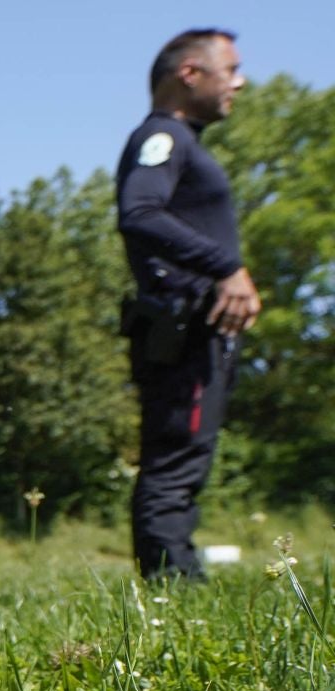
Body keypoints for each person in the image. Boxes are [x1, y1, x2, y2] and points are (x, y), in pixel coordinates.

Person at [116, 27, 260, 581]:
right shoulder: (163, 138)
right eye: (231, 71)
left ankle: (176, 575)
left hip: (198, 332)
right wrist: (225, 267)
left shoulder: (183, 143)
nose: (240, 83)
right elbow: (141, 212)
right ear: (190, 74)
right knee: (174, 462)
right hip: (183, 329)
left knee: (185, 460)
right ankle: (172, 586)